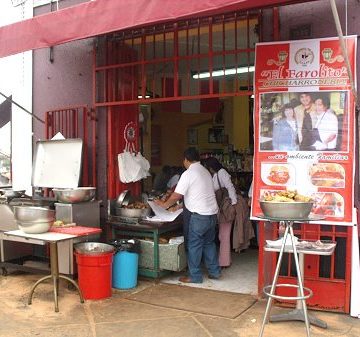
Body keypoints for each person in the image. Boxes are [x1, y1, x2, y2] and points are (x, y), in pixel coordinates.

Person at [154, 148, 221, 283]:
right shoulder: (205, 172)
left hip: (199, 216)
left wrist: (164, 204)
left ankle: (195, 276)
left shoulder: (189, 173)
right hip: (212, 214)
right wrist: (180, 205)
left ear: (186, 159)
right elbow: (200, 193)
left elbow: (177, 195)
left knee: (194, 245)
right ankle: (215, 272)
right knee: (209, 244)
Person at [203, 157, 237, 268]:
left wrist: (233, 204)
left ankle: (224, 261)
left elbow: (230, 187)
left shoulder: (222, 173)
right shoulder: (216, 175)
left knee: (224, 235)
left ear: (211, 168)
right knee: (222, 235)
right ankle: (224, 260)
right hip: (221, 207)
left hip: (226, 207)